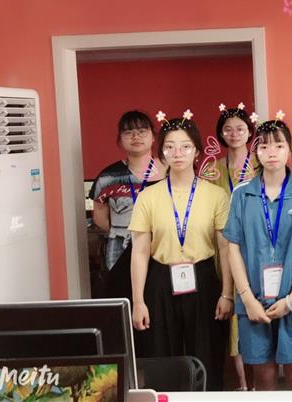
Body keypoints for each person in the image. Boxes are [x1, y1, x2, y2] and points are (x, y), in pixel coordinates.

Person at [129, 111, 233, 391]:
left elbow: (225, 247)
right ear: (161, 152)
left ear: (197, 151)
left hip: (204, 278)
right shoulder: (148, 197)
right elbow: (140, 251)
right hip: (161, 280)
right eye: (170, 147)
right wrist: (138, 301)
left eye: (185, 146)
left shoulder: (216, 195)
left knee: (208, 354)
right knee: (163, 356)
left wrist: (227, 293)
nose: (178, 153)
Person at [223, 116, 292, 391]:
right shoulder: (242, 194)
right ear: (255, 151)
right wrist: (247, 299)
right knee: (264, 377)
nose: (272, 152)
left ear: (289, 150)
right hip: (253, 302)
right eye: (264, 146)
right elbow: (233, 247)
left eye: (279, 146)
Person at [90, 111, 164, 300]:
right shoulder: (108, 176)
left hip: (163, 248)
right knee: (125, 301)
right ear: (120, 140)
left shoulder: (169, 171)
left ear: (153, 137)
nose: (135, 137)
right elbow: (100, 218)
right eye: (128, 132)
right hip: (120, 252)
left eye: (142, 131)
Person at [212, 103, 258, 391]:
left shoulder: (260, 166)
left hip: (255, 246)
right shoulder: (212, 170)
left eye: (240, 128)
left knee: (254, 302)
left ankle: (259, 382)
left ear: (249, 132)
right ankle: (241, 383)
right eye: (228, 129)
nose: (234, 133)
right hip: (223, 245)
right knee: (230, 310)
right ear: (220, 134)